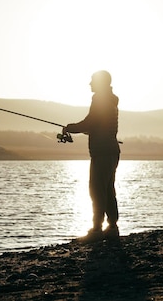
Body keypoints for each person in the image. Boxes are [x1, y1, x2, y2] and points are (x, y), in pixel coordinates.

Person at [63, 70, 120, 241]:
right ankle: (112, 227)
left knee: (96, 190)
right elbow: (97, 124)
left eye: (92, 80)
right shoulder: (110, 99)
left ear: (100, 83)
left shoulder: (100, 99)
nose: (90, 83)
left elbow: (90, 122)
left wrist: (70, 127)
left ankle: (96, 230)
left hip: (102, 152)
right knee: (108, 190)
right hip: (111, 151)